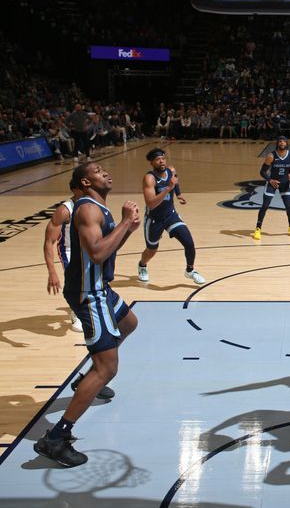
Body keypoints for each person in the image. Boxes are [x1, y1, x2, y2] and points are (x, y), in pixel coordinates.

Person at [34, 162, 140, 467]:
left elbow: (106, 247)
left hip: (100, 288)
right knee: (108, 368)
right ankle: (56, 438)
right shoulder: (86, 210)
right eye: (97, 169)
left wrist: (128, 229)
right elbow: (96, 252)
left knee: (129, 322)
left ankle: (87, 379)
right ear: (85, 180)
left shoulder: (97, 208)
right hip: (89, 293)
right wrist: (124, 222)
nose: (105, 171)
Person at [137, 148, 206, 284]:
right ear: (152, 163)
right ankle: (142, 265)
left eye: (163, 158)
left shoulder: (171, 170)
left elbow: (175, 181)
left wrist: (178, 193)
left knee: (189, 243)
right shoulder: (149, 178)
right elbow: (151, 204)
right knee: (151, 250)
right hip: (154, 219)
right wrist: (168, 189)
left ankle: (190, 270)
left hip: (170, 215)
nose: (161, 161)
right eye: (157, 159)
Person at [44, 180, 84, 333]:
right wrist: (52, 272)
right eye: (83, 188)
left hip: (88, 248)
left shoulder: (92, 203)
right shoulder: (64, 210)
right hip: (69, 251)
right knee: (76, 281)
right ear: (75, 190)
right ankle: (76, 312)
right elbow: (48, 241)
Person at [252, 136, 290, 239]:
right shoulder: (271, 156)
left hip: (285, 183)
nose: (282, 143)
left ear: (287, 143)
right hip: (272, 182)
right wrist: (270, 180)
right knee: (265, 205)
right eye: (280, 141)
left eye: (284, 141)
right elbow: (262, 172)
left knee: (289, 206)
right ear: (277, 143)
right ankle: (258, 229)